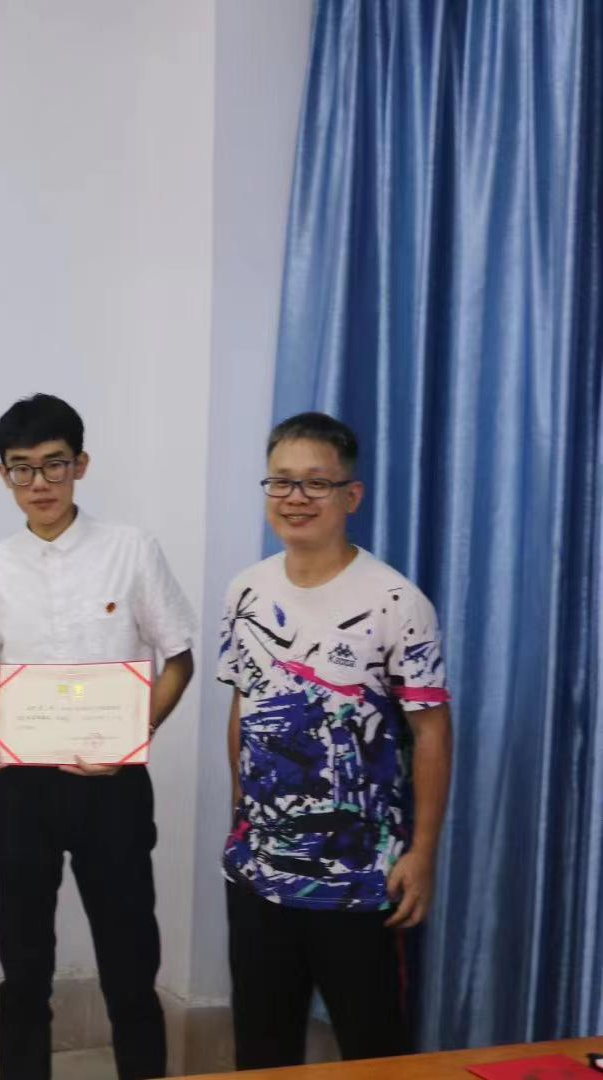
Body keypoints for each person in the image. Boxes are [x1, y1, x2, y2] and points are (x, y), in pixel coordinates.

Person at [0, 393, 197, 1080]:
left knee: (130, 962)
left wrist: (136, 732)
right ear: (3, 474)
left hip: (114, 787)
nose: (39, 483)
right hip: (24, 789)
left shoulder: (131, 549)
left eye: (54, 465)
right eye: (22, 468)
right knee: (23, 967)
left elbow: (179, 659)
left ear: (81, 465)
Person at [218, 412, 452, 1068]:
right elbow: (244, 705)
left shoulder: (396, 601)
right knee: (261, 1049)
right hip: (258, 873)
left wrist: (422, 854)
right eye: (281, 481)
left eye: (315, 483)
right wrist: (242, 812)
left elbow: (432, 731)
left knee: (375, 1050)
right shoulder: (245, 591)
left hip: (363, 877)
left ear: (351, 496)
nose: (295, 497)